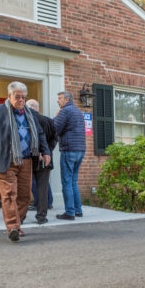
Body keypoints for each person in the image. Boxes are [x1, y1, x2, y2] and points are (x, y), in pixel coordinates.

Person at [0, 82, 51, 242]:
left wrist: (46, 151)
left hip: (27, 159)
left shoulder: (30, 113)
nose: (21, 100)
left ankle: (18, 222)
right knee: (9, 194)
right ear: (9, 96)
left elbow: (40, 133)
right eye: (17, 97)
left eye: (23, 97)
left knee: (24, 196)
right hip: (6, 159)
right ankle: (12, 227)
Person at [54, 91, 86, 220]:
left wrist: (56, 116)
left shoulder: (65, 111)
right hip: (80, 150)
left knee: (67, 182)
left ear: (67, 100)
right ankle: (78, 210)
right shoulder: (78, 111)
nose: (58, 101)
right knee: (73, 181)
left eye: (60, 98)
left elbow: (55, 128)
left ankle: (70, 212)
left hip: (69, 150)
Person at [26, 99, 56, 224]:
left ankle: (21, 217)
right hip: (45, 158)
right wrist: (47, 151)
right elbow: (55, 138)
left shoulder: (26, 119)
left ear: (29, 107)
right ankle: (42, 216)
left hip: (28, 157)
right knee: (43, 187)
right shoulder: (49, 121)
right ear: (37, 108)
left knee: (24, 186)